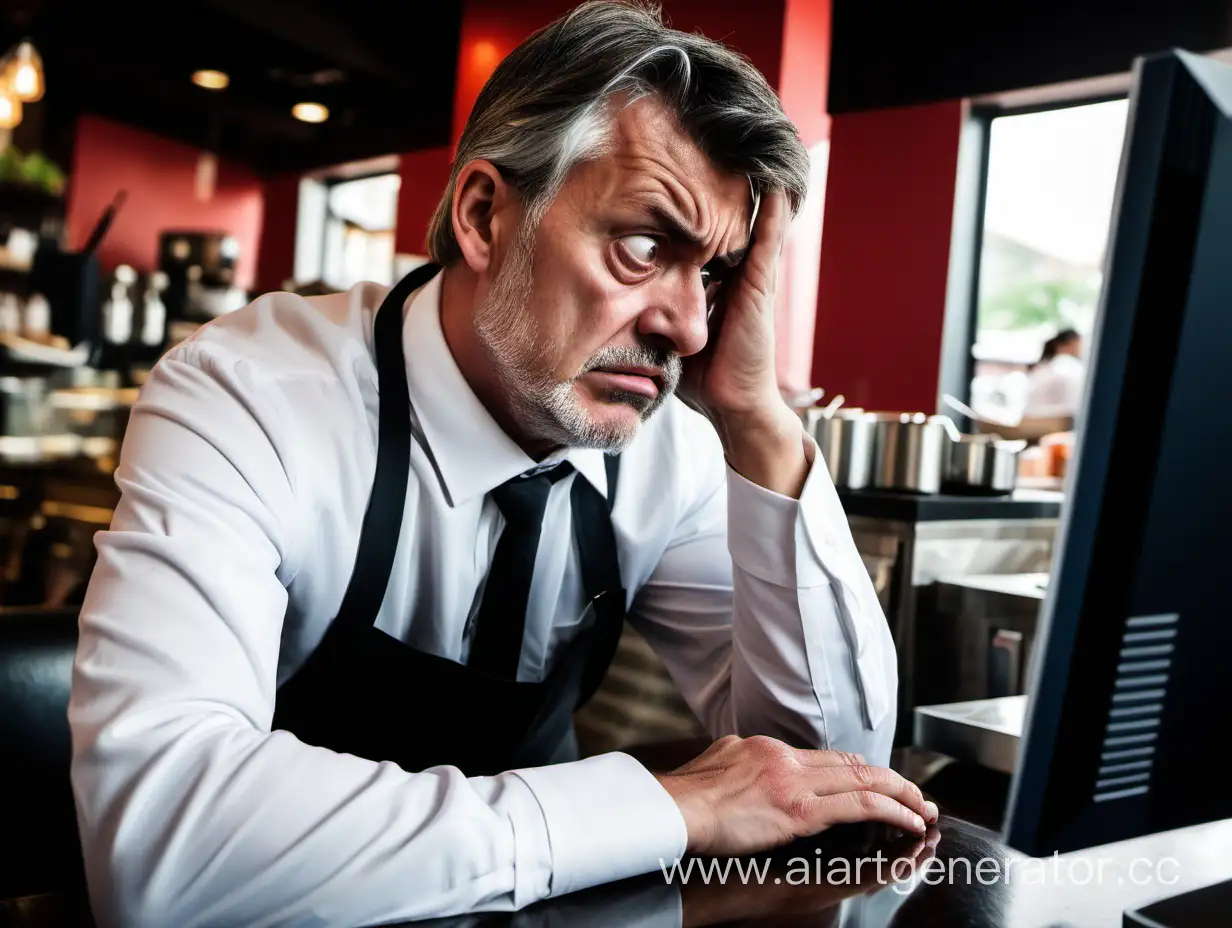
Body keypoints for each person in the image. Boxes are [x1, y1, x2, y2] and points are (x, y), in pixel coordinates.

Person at [68, 3, 934, 926]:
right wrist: (668, 806)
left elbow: (832, 785)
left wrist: (759, 423)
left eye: (714, 275)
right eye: (645, 246)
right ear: (485, 215)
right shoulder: (250, 394)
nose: (686, 326)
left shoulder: (667, 448)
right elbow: (162, 851)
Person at [1022, 328, 1085, 420]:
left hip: (1032, 419)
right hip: (1050, 421)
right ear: (1070, 344)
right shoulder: (1067, 365)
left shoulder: (1046, 365)